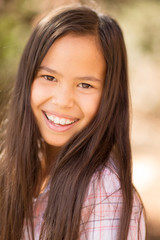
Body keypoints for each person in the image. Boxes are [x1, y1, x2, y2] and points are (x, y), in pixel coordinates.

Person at [0, 4, 146, 240]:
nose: (63, 100)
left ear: (109, 94)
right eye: (49, 77)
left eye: (85, 85)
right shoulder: (15, 170)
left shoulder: (105, 192)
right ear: (28, 80)